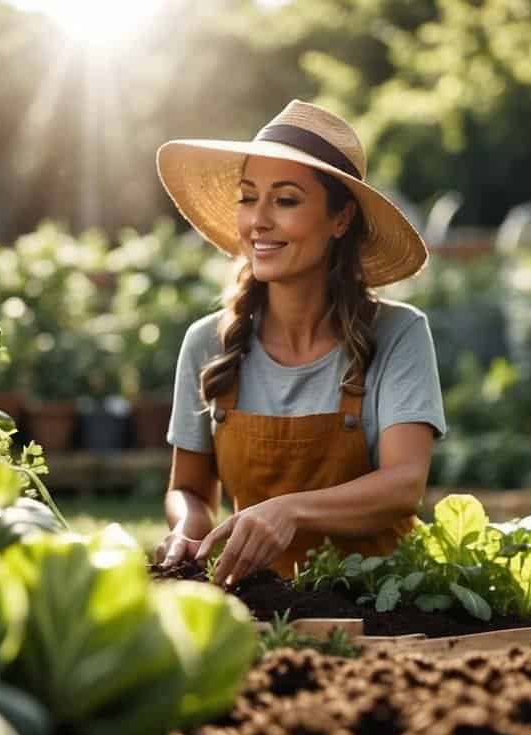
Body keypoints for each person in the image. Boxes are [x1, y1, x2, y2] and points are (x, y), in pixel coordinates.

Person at [153, 99, 446, 587]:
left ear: (340, 219)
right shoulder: (207, 342)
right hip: (258, 601)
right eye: (249, 198)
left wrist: (290, 511)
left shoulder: (398, 334)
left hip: (384, 599)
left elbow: (403, 486)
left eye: (285, 200)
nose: (258, 221)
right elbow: (188, 488)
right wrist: (187, 527)